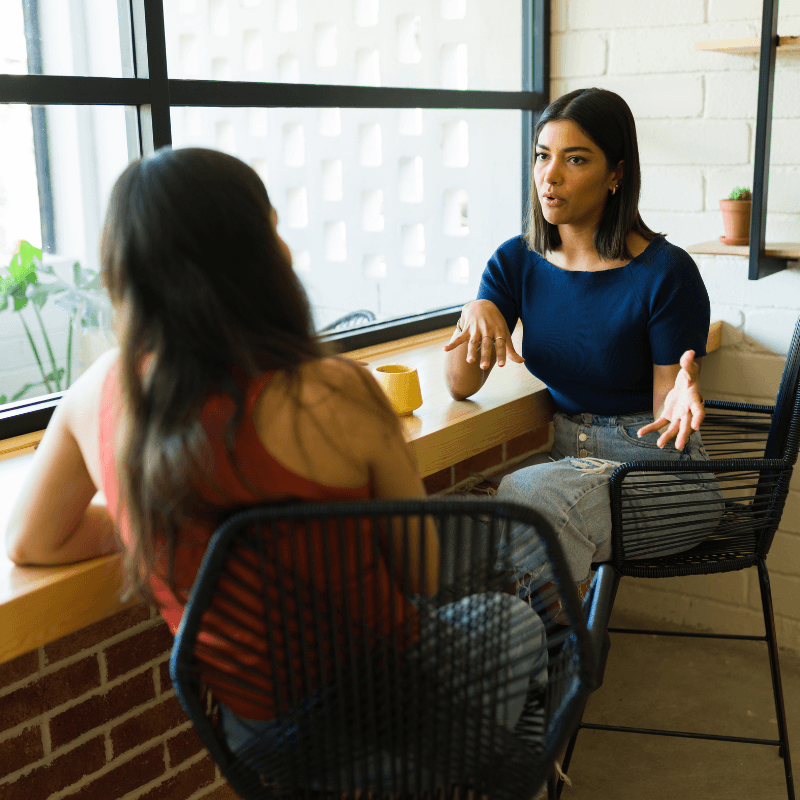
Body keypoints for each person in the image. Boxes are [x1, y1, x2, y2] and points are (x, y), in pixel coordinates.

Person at [5, 147, 545, 770]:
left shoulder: (93, 397)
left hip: (259, 743)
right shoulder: (337, 390)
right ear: (263, 256)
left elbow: (30, 541)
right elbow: (420, 578)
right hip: (396, 707)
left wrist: (154, 515)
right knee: (518, 624)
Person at [444, 87, 723, 592]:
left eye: (575, 160)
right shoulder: (515, 262)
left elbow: (665, 420)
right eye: (542, 156)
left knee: (531, 494)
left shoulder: (665, 272)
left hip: (660, 475)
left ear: (616, 173)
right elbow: (460, 385)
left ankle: (555, 660)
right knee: (462, 519)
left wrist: (681, 390)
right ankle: (542, 652)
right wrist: (476, 311)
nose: (550, 176)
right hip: (570, 463)